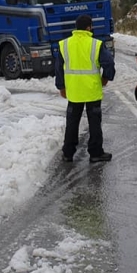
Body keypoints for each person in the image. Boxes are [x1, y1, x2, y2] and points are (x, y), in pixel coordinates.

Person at [55, 14, 116, 162]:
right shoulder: (96, 44)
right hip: (92, 91)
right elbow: (108, 63)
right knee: (94, 122)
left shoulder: (64, 44)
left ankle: (68, 153)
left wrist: (61, 86)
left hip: (74, 91)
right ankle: (95, 153)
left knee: (72, 122)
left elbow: (58, 68)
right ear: (89, 27)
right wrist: (106, 78)